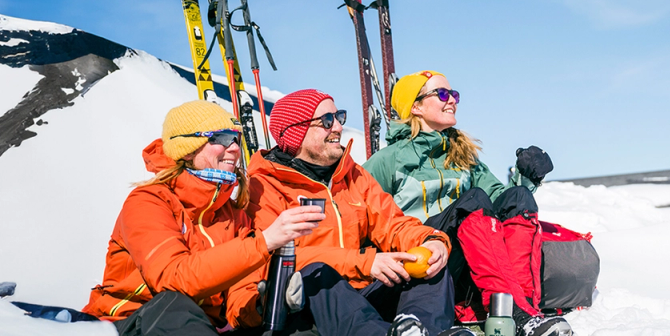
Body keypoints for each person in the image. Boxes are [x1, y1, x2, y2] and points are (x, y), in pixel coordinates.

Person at [82, 100, 325, 335]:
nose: (233, 148)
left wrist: (264, 304)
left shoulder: (233, 215)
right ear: (186, 150)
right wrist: (264, 242)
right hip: (132, 321)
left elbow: (237, 299)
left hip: (201, 327)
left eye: (236, 139)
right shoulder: (149, 201)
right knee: (174, 305)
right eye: (220, 138)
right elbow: (173, 278)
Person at [246, 89, 473, 336]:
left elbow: (393, 224)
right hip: (313, 306)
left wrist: (433, 241)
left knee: (430, 267)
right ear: (295, 131)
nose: (338, 128)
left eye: (339, 117)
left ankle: (417, 329)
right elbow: (272, 259)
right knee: (316, 273)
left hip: (364, 295)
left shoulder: (352, 175)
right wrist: (364, 263)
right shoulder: (265, 185)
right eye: (326, 121)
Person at [363, 71, 572, 336]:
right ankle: (517, 313)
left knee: (517, 197)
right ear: (415, 106)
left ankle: (522, 310)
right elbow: (358, 210)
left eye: (454, 94)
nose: (452, 100)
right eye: (442, 94)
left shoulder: (463, 157)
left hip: (463, 265)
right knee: (473, 201)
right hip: (420, 264)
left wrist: (528, 178)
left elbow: (500, 202)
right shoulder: (388, 161)